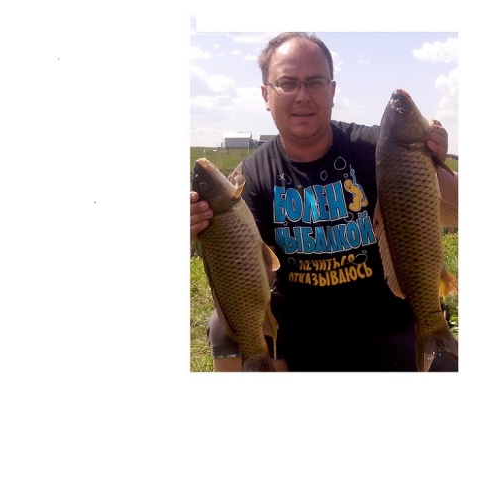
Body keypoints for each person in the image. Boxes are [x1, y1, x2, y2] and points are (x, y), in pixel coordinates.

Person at [190, 32, 458, 372]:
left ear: (332, 91)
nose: (302, 95)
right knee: (222, 325)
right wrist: (203, 235)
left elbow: (457, 206)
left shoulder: (378, 148)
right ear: (266, 95)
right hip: (301, 334)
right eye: (288, 83)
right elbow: (255, 275)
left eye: (315, 82)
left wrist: (430, 158)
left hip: (387, 324)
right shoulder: (253, 176)